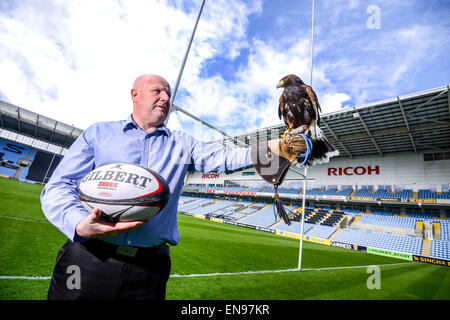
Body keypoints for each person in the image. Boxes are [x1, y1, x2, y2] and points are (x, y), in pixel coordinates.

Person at [41, 74, 309, 300]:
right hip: (87, 257)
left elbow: (223, 158)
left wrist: (276, 147)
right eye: (157, 91)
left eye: (168, 94)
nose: (166, 98)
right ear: (135, 95)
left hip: (149, 268)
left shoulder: (183, 144)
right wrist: (78, 223)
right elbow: (59, 186)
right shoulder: (99, 134)